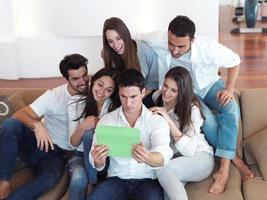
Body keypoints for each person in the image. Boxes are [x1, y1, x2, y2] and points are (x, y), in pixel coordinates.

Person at [137, 15, 254, 194]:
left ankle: (224, 171)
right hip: (186, 92)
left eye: (181, 46)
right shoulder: (158, 38)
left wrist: (229, 89)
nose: (175, 51)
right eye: (171, 44)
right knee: (206, 118)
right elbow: (133, 37)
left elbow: (235, 61)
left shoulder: (209, 48)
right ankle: (233, 158)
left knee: (230, 108)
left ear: (192, 40)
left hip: (208, 85)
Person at [0, 53, 89, 200]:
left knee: (49, 179)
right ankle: (4, 183)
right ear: (66, 79)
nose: (82, 82)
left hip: (55, 155)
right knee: (10, 124)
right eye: (75, 79)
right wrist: (37, 125)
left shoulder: (94, 93)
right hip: (37, 143)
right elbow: (18, 115)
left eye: (84, 75)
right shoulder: (54, 96)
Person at [88, 69, 173, 200]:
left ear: (143, 92)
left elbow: (164, 156)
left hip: (147, 181)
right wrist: (98, 161)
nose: (128, 103)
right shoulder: (107, 120)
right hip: (116, 180)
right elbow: (97, 164)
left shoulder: (157, 121)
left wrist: (147, 157)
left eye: (133, 97)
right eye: (123, 96)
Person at [150, 67, 214, 200]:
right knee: (167, 194)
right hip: (178, 159)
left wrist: (168, 120)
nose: (166, 92)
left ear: (182, 92)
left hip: (201, 157)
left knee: (162, 168)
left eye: (173, 90)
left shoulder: (192, 109)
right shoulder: (157, 97)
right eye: (165, 86)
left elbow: (189, 151)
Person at [64, 67, 120, 200]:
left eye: (109, 90)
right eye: (100, 84)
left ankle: (92, 181)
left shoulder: (114, 108)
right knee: (78, 179)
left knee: (91, 135)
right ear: (93, 81)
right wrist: (83, 126)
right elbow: (72, 144)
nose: (102, 92)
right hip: (80, 155)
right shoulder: (76, 103)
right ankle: (91, 181)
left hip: (103, 158)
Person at [102, 17, 159, 99]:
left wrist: (132, 101)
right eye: (110, 41)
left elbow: (152, 85)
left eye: (118, 38)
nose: (116, 45)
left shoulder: (146, 51)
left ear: (125, 35)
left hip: (143, 95)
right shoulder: (108, 53)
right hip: (122, 95)